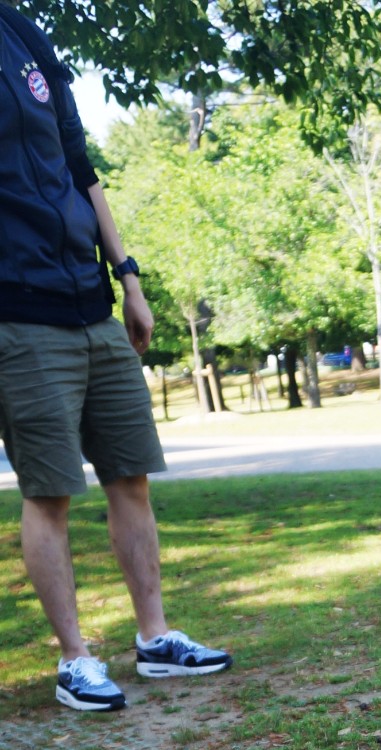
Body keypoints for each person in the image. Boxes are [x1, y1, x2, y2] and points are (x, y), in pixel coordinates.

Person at [0, 2, 231, 713]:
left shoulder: (22, 30)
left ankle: (156, 639)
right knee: (50, 493)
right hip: (19, 310)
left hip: (90, 300)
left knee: (131, 477)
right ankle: (74, 659)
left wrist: (127, 276)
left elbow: (80, 165)